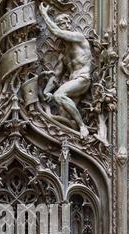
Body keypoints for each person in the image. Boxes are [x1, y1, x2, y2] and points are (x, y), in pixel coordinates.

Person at [39, 2, 92, 139]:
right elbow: (56, 76)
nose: (63, 26)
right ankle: (72, 139)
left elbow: (56, 32)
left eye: (63, 23)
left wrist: (44, 14)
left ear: (68, 25)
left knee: (59, 95)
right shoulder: (64, 55)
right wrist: (45, 91)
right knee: (63, 122)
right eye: (60, 24)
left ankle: (82, 126)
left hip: (82, 79)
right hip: (73, 83)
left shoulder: (78, 38)